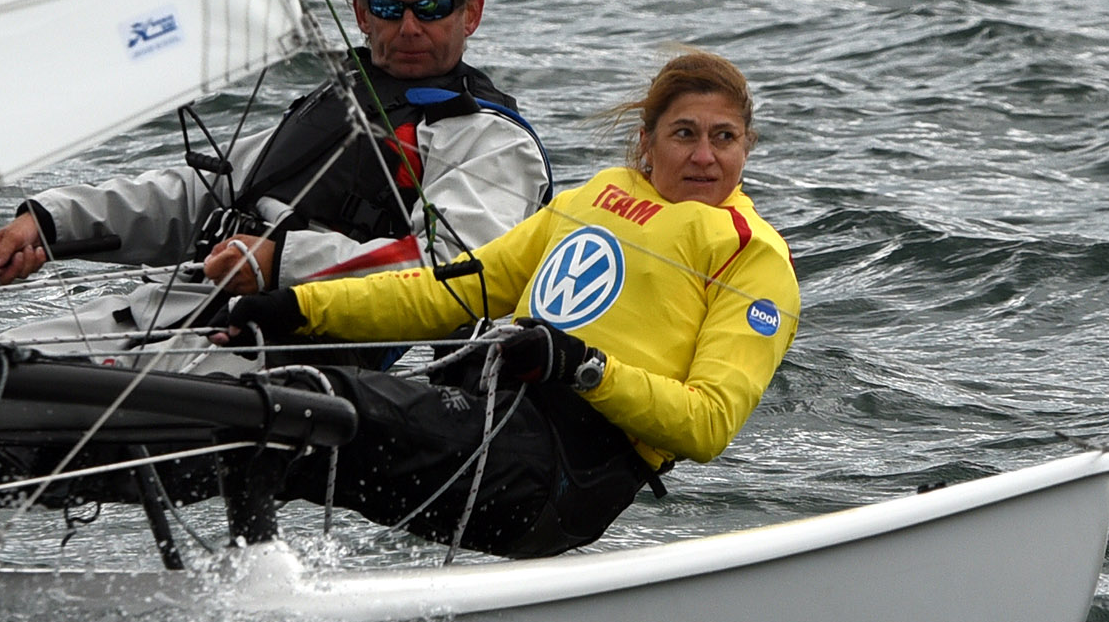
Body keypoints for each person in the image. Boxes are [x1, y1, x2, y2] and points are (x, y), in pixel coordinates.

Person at [226, 49, 798, 559]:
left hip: (557, 477)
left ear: (747, 144)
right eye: (684, 134)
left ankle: (252, 584)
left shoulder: (753, 256)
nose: (704, 156)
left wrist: (582, 366)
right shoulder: (594, 196)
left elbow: (707, 424)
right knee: (258, 420)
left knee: (309, 405)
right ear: (647, 141)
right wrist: (298, 306)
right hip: (490, 418)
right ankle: (237, 577)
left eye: (724, 137)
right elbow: (447, 290)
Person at [0, 0, 550, 293]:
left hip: (290, 352)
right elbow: (199, 193)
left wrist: (281, 262)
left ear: (470, 14)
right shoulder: (343, 100)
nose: (408, 28)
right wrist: (50, 221)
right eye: (387, 9)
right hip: (182, 303)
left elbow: (455, 274)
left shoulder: (488, 139)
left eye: (431, 10)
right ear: (360, 13)